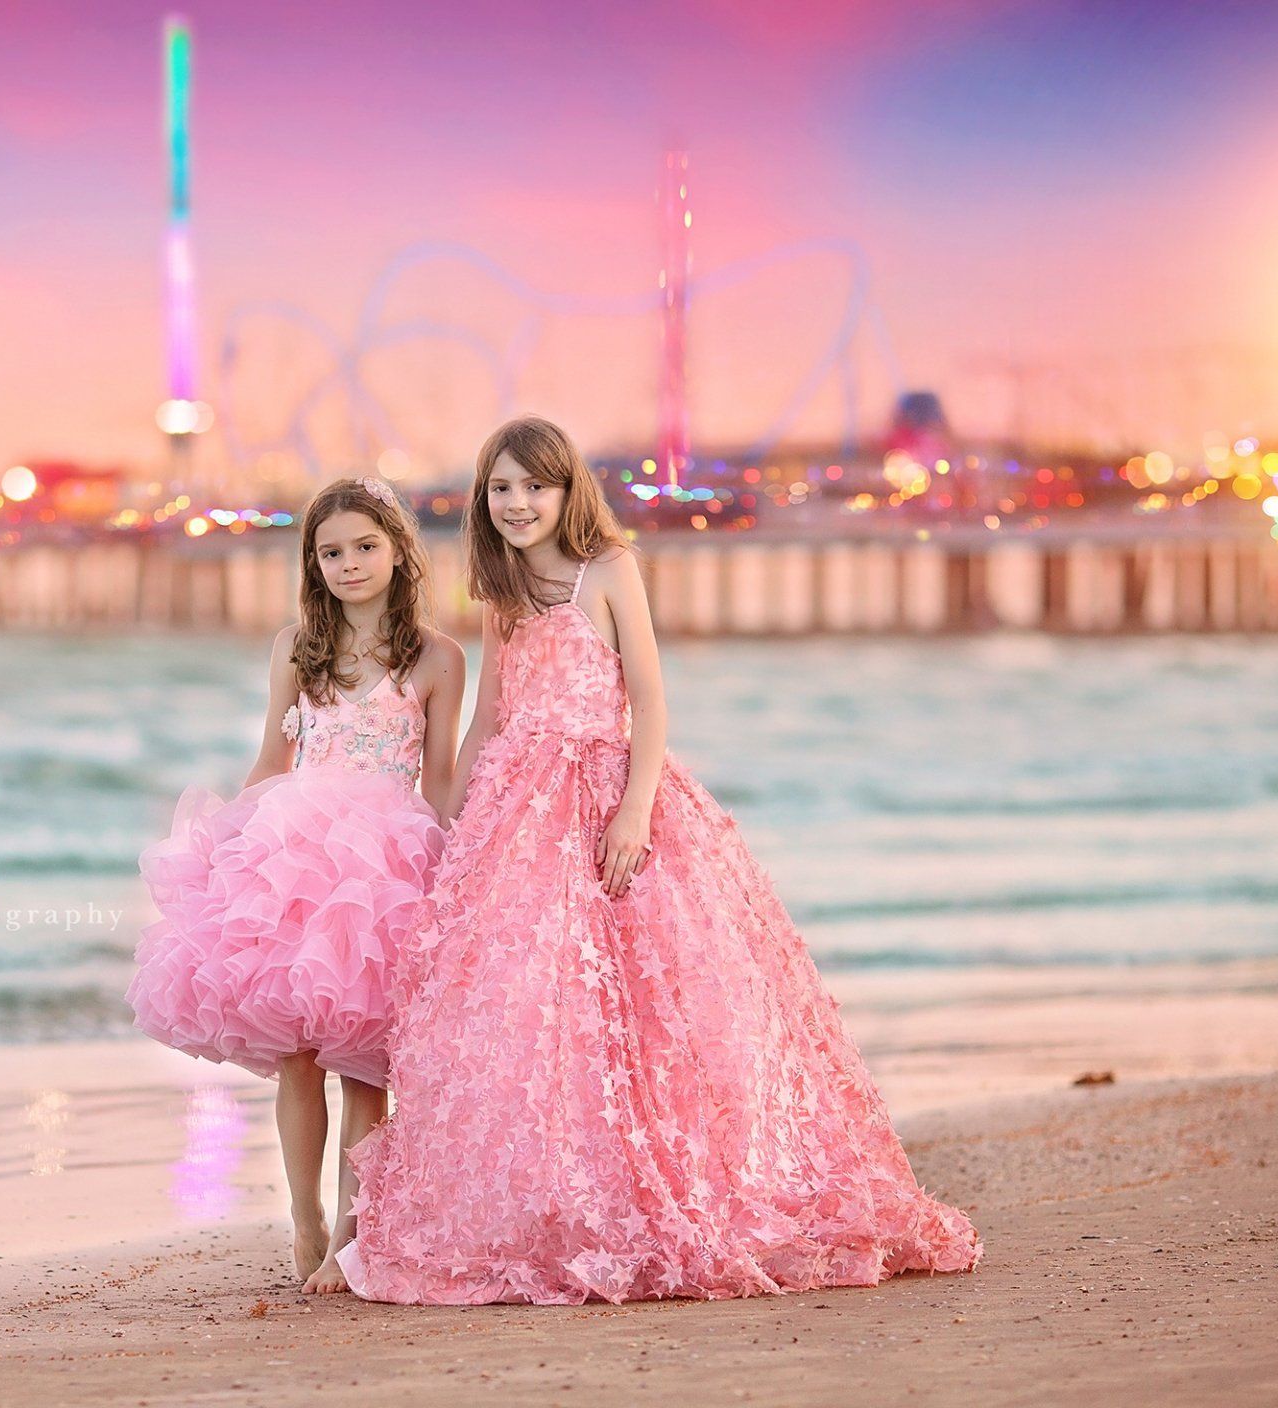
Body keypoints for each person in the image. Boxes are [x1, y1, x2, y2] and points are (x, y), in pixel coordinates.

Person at [336, 416, 981, 1304]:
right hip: (521, 808)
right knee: (534, 1007)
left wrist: (634, 808)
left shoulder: (610, 568)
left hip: (606, 790)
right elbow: (490, 712)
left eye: (535, 486)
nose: (519, 504)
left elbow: (647, 692)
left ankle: (668, 1180)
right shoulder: (504, 586)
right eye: (501, 489)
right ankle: (556, 1191)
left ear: (568, 491)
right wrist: (441, 820)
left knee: (644, 998)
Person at [128, 474, 466, 1291]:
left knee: (366, 1062)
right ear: (313, 564)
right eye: (331, 552)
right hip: (298, 852)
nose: (348, 564)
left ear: (397, 551)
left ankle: (351, 1236)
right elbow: (271, 761)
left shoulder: (438, 656)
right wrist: (229, 843)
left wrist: (466, 862)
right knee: (299, 1054)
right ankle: (304, 1216)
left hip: (386, 864)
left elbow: (443, 778)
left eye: (364, 547)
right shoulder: (295, 646)